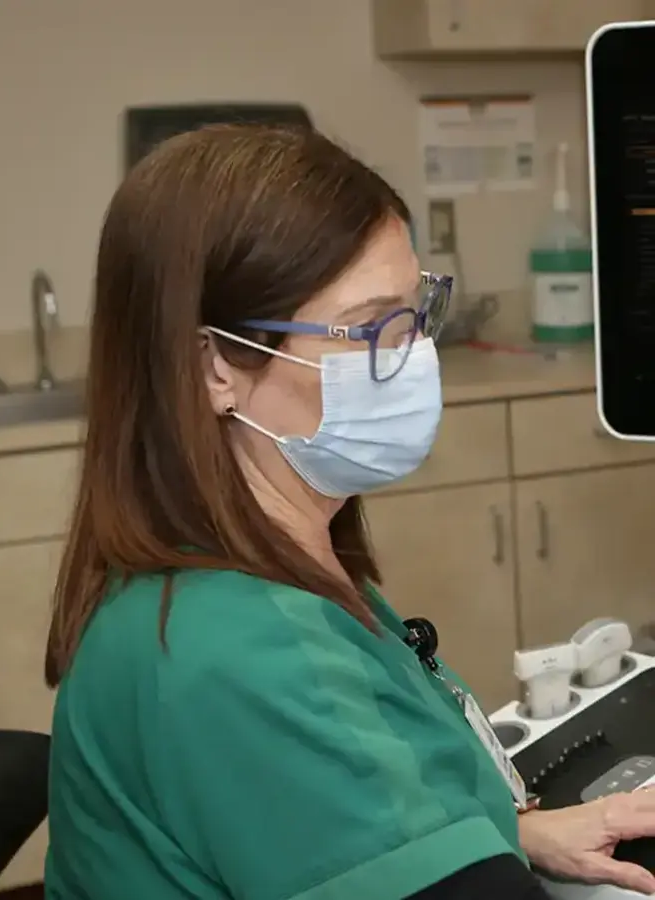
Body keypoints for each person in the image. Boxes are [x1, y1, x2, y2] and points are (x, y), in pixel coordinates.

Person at [44, 123, 655, 900]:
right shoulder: (241, 654)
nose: (413, 358)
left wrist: (510, 832)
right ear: (213, 367)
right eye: (369, 328)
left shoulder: (251, 574)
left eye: (414, 312)